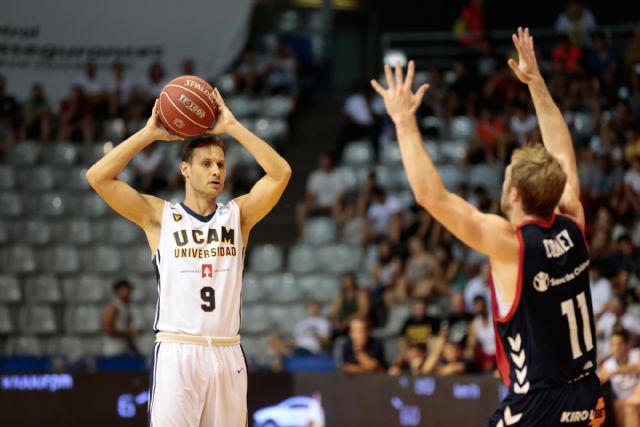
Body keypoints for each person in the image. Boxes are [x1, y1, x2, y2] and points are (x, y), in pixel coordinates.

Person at [371, 27, 604, 426]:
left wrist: (404, 120)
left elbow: (432, 197)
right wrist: (537, 85)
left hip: (539, 404)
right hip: (586, 394)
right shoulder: (572, 219)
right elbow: (563, 153)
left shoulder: (511, 243)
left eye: (506, 176)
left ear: (514, 195)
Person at [85, 88, 291, 426]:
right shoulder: (159, 216)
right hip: (178, 351)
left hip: (227, 350)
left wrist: (233, 127)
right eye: (206, 164)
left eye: (221, 164)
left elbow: (281, 173)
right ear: (185, 169)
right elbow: (98, 177)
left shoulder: (237, 215)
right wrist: (150, 133)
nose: (216, 172)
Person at [599, 327, 640, 427]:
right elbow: (598, 381)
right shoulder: (608, 365)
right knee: (621, 405)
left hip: (636, 397)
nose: (615, 348)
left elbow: (637, 367)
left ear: (627, 344)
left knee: (631, 404)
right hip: (621, 402)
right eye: (612, 344)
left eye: (619, 344)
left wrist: (615, 372)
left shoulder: (636, 354)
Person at [101, 279, 141, 356]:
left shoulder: (124, 306)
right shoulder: (113, 307)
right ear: (119, 290)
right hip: (114, 351)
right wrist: (130, 332)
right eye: (127, 290)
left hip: (123, 350)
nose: (129, 293)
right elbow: (107, 329)